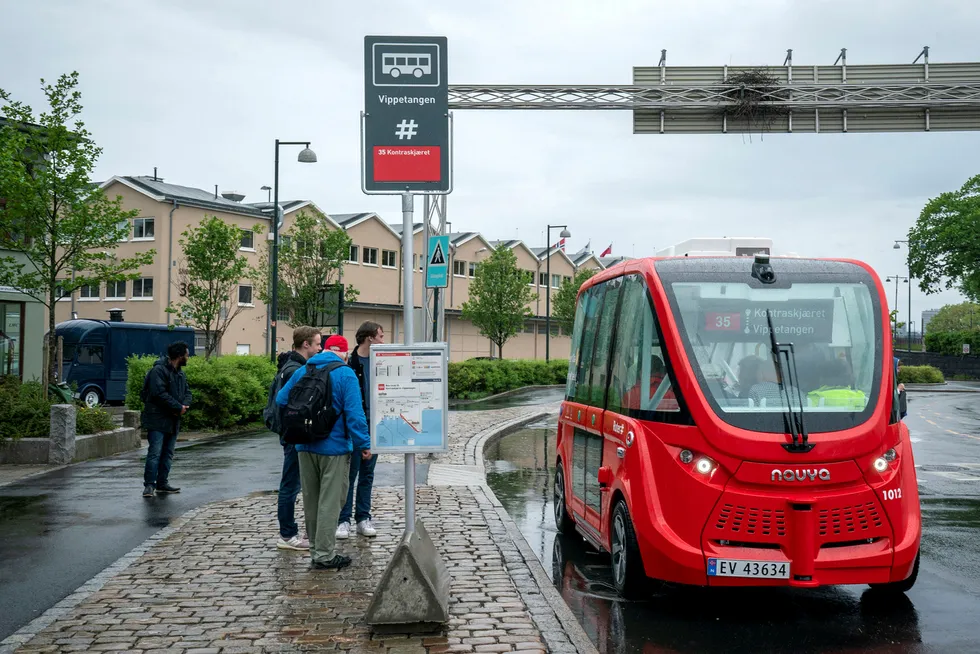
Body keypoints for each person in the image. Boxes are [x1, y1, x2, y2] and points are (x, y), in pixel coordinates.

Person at [276, 334, 371, 570]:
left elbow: (281, 398)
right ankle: (325, 554)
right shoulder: (345, 373)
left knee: (312, 500)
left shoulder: (304, 369)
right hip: (334, 448)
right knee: (331, 501)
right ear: (345, 353)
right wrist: (364, 444)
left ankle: (316, 549)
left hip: (304, 445)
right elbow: (355, 414)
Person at [268, 326, 321, 551]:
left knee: (291, 484)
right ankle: (287, 534)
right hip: (293, 435)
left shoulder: (289, 366)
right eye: (318, 344)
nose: (321, 348)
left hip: (289, 433)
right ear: (306, 344)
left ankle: (289, 532)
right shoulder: (295, 370)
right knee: (290, 485)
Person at [337, 321, 384, 540]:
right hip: (355, 426)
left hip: (375, 425)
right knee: (350, 473)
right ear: (370, 338)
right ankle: (343, 520)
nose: (383, 341)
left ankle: (363, 518)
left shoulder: (381, 361)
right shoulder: (350, 362)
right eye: (380, 336)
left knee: (368, 474)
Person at [140, 341, 192, 498]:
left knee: (168, 453)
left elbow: (188, 392)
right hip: (157, 419)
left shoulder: (180, 373)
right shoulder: (158, 371)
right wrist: (178, 407)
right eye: (187, 355)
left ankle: (162, 483)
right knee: (155, 453)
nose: (188, 358)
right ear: (180, 355)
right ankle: (149, 485)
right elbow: (159, 394)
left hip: (173, 419)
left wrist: (184, 405)